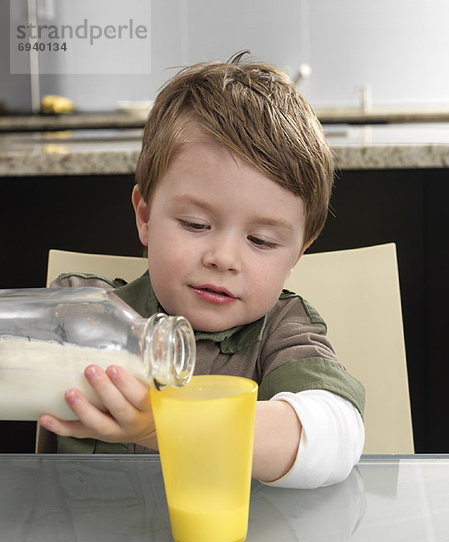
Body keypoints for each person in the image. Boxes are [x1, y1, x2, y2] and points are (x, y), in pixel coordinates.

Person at [38, 52, 365, 488]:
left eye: (261, 241)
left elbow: (334, 437)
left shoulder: (285, 331)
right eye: (196, 225)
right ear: (146, 217)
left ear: (297, 254)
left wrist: (168, 424)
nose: (223, 258)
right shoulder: (83, 312)